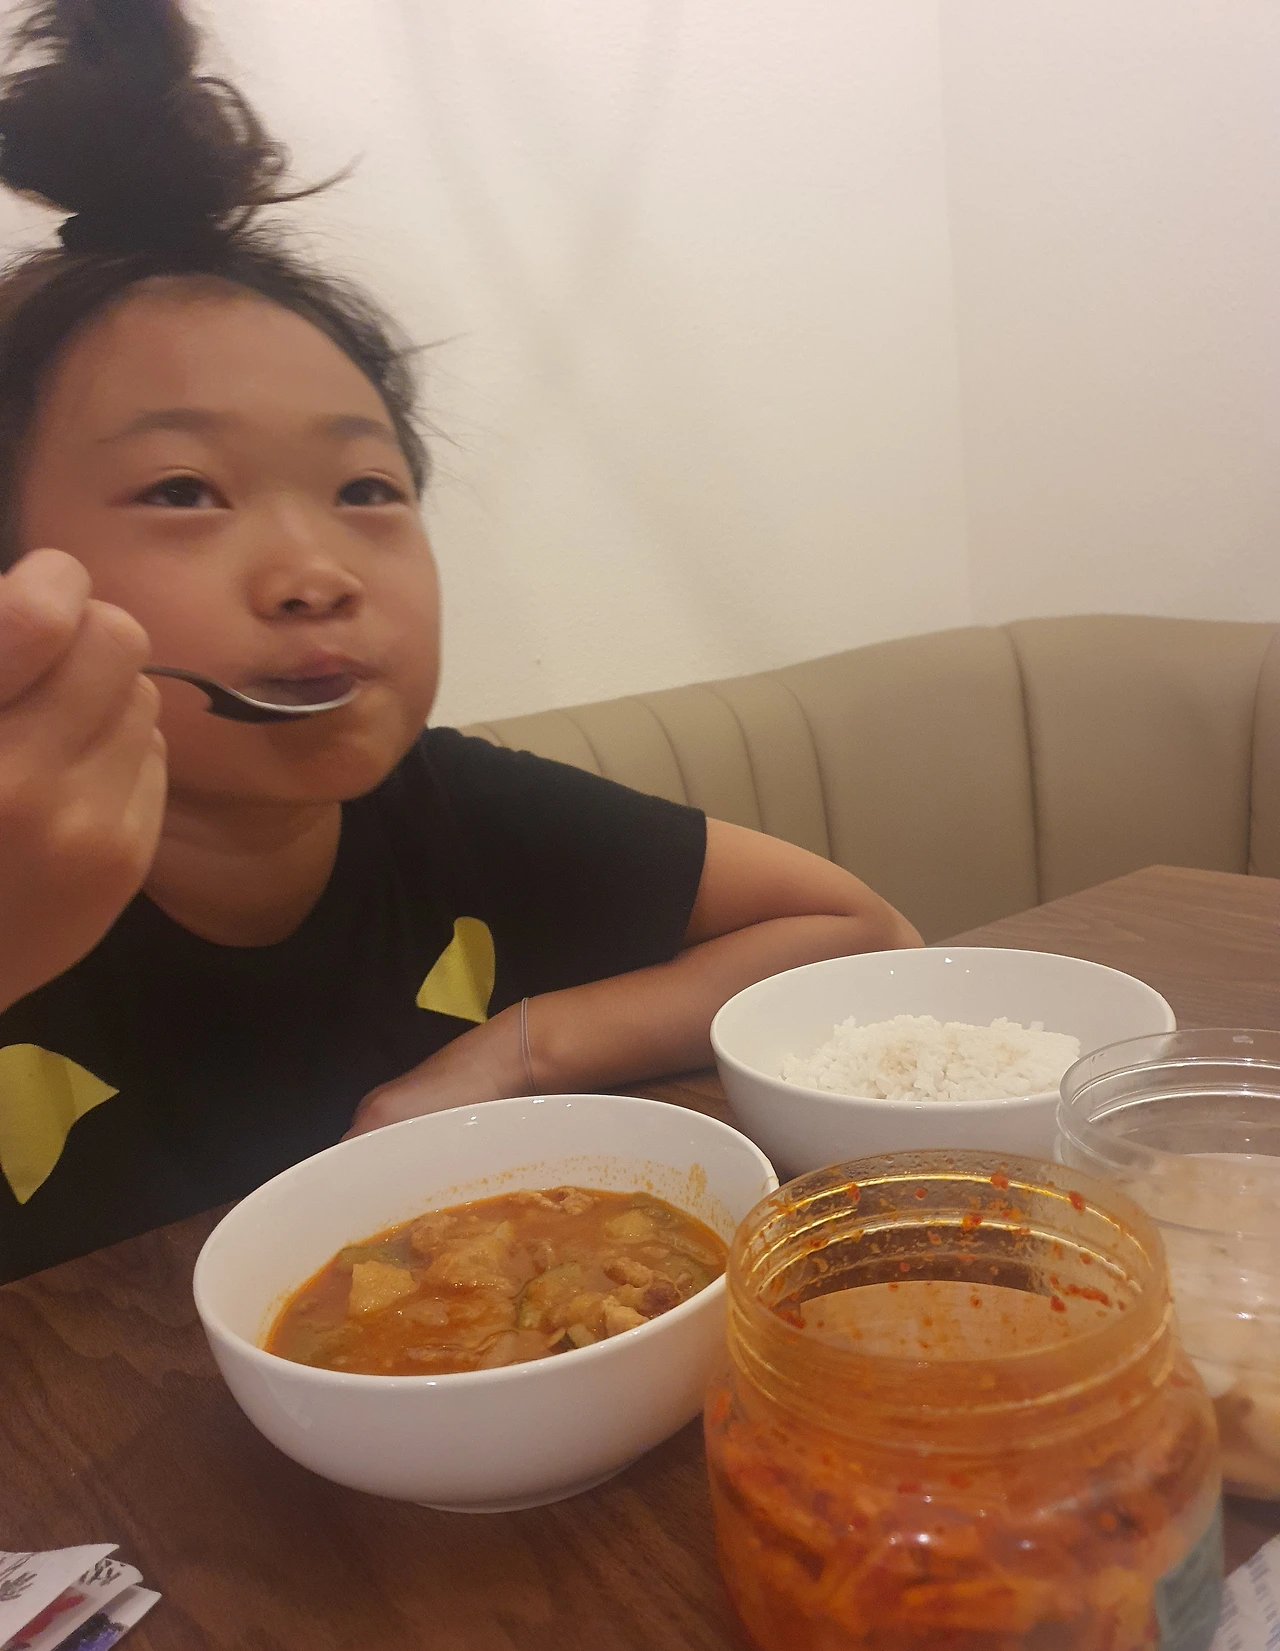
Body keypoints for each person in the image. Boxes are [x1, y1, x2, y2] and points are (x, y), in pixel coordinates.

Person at [0, 0, 921, 1284]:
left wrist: (506, 1053)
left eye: (365, 489)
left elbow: (858, 929)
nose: (317, 571)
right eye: (183, 490)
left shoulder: (443, 807)